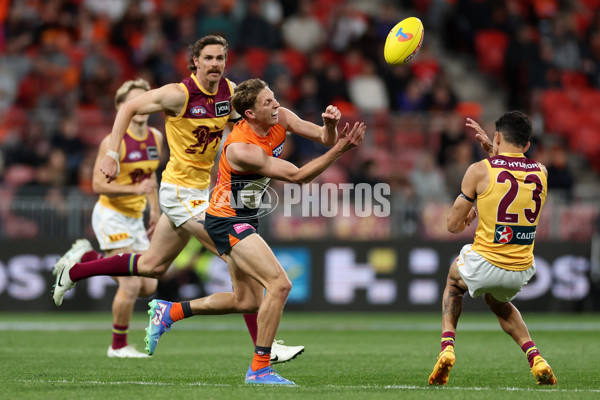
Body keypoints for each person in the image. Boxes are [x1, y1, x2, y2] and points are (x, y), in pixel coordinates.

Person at [52, 35, 303, 364]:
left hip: (202, 193)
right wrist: (112, 154)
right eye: (209, 57)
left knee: (151, 267)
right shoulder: (179, 94)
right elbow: (129, 107)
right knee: (239, 256)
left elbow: (256, 119)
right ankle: (266, 349)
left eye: (220, 58)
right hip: (179, 193)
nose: (215, 63)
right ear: (195, 61)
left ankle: (75, 271)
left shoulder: (229, 93)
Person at [145, 78, 366, 385]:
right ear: (249, 114)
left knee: (247, 301)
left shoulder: (281, 117)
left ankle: (170, 313)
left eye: (274, 98)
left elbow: (323, 139)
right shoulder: (240, 148)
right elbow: (299, 176)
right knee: (279, 284)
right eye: (267, 102)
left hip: (245, 216)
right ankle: (260, 368)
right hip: (225, 218)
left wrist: (329, 127)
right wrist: (343, 148)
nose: (276, 105)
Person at [428, 111, 557, 386]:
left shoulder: (478, 170)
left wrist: (468, 215)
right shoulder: (542, 172)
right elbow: (511, 178)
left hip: (485, 262)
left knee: (453, 282)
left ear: (497, 136)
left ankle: (447, 347)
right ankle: (536, 358)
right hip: (521, 269)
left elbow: (452, 226)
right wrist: (495, 152)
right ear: (527, 145)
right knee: (497, 301)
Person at [54, 78, 162, 358]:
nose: (142, 105)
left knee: (149, 283)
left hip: (135, 217)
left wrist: (155, 208)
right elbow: (98, 185)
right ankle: (118, 346)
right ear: (122, 107)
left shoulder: (155, 137)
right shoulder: (113, 142)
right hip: (111, 215)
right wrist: (134, 189)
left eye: (146, 99)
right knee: (131, 283)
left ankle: (87, 258)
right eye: (135, 100)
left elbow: (150, 176)